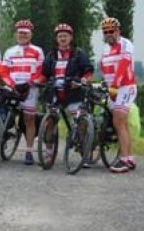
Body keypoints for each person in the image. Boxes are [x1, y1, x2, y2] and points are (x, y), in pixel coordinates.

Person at [42, 23, 94, 158]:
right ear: (56, 39)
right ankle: (49, 150)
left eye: (65, 36)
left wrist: (82, 81)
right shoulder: (51, 55)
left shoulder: (79, 53)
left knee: (80, 121)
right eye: (60, 36)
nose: (62, 38)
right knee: (50, 121)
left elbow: (88, 72)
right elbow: (44, 74)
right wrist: (39, 81)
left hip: (73, 92)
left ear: (71, 37)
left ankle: (84, 151)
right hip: (55, 92)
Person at [1, 20, 45, 165]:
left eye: (25, 33)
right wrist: (12, 85)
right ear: (16, 34)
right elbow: (4, 72)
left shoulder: (37, 51)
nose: (23, 35)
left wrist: (29, 83)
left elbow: (40, 72)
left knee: (29, 119)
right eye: (20, 33)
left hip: (30, 89)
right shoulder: (9, 51)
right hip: (13, 87)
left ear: (31, 35)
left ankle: (29, 151)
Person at [99, 17, 137, 173]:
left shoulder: (126, 44)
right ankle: (128, 157)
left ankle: (124, 160)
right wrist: (105, 85)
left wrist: (115, 85)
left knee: (118, 120)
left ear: (118, 31)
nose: (109, 34)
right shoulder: (105, 49)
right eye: (105, 31)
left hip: (125, 86)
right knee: (122, 124)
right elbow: (104, 68)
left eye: (111, 31)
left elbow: (123, 65)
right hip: (112, 89)